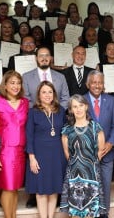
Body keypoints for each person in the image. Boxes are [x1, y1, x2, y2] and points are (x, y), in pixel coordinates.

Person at [0, 71, 29, 218]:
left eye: (18, 83)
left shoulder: (25, 102)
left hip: (20, 151)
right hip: (4, 151)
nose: (16, 86)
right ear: (5, 85)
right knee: (7, 186)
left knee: (15, 188)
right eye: (12, 83)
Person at [25, 81, 67, 218]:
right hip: (39, 155)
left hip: (57, 154)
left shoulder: (61, 111)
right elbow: (29, 136)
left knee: (54, 188)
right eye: (44, 92)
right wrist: (31, 157)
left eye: (50, 92)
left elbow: (66, 134)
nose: (47, 95)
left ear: (54, 94)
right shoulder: (33, 112)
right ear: (39, 94)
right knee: (41, 190)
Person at [60, 94, 106, 217]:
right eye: (75, 106)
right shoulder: (67, 130)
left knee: (91, 212)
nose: (78, 109)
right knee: (75, 212)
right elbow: (67, 154)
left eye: (81, 105)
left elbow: (100, 152)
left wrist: (88, 166)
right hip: (74, 176)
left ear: (86, 106)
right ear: (71, 109)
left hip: (91, 176)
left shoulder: (96, 128)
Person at [84, 70, 114, 218]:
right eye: (94, 82)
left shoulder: (111, 100)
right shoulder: (81, 101)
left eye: (100, 82)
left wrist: (110, 143)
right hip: (88, 154)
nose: (97, 85)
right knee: (90, 186)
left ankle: (104, 214)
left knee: (105, 186)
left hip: (107, 152)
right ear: (88, 84)